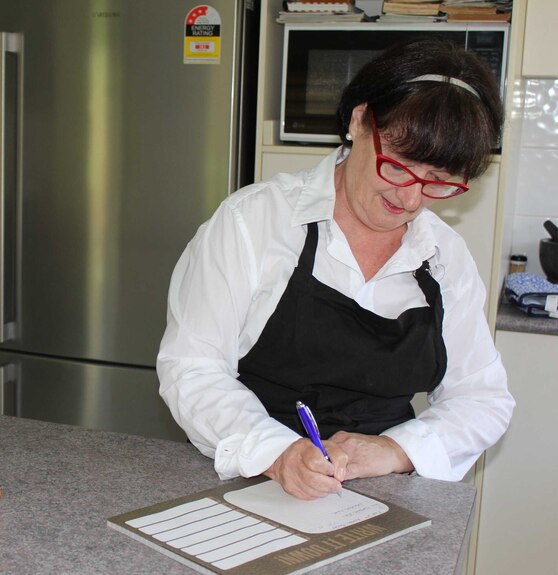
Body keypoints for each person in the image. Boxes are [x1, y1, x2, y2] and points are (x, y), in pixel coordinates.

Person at [157, 37, 515, 500]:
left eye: (438, 183)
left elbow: (482, 399)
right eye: (399, 167)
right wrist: (279, 453)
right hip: (251, 478)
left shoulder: (445, 257)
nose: (410, 199)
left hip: (385, 494)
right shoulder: (256, 222)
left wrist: (394, 449)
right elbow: (192, 366)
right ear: (359, 121)